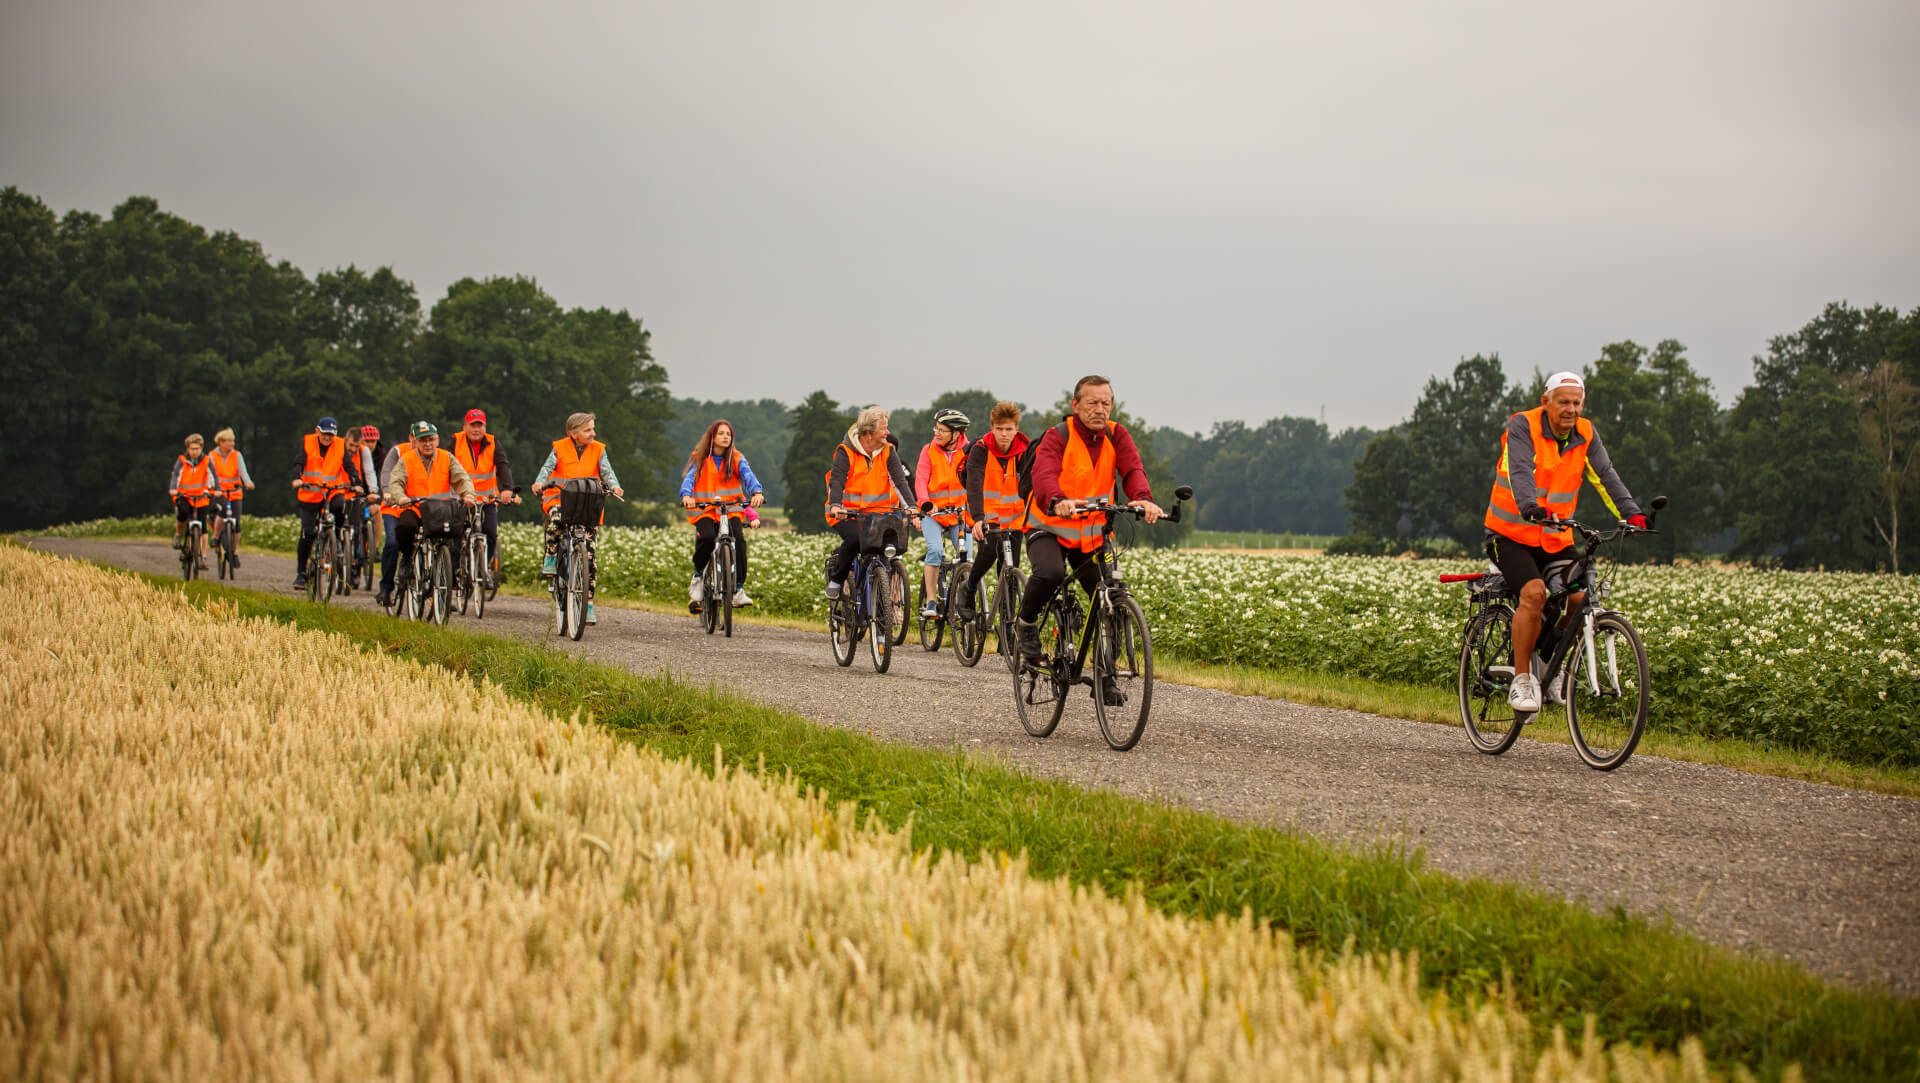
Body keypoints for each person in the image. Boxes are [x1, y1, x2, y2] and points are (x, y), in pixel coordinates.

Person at [1485, 370, 1646, 713]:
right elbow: (1520, 471)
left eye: (1577, 403)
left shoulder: (1585, 434)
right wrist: (1530, 506)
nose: (1571, 409)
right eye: (1564, 402)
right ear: (1546, 402)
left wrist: (1631, 513)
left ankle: (1552, 663)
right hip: (1509, 534)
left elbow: (1606, 476)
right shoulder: (1523, 426)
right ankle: (1523, 679)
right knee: (1534, 593)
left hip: (1555, 538)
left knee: (1580, 598)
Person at [1014, 376, 1162, 670]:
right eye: (1092, 402)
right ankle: (1026, 624)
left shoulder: (1117, 435)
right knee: (1051, 574)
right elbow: (1044, 474)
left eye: (1106, 403)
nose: (1100, 409)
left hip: (1092, 535)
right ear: (1075, 404)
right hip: (1048, 527)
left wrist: (1142, 498)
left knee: (1112, 595)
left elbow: (1132, 469)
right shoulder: (1058, 435)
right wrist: (1057, 499)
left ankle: (1105, 673)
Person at [532, 412, 625, 625]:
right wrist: (539, 483)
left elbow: (607, 472)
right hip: (559, 500)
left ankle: (588, 602)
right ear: (573, 433)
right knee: (555, 522)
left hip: (586, 504)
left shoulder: (599, 450)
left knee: (590, 557)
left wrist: (615, 487)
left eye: (593, 428)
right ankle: (551, 555)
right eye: (588, 430)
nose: (593, 433)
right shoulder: (559, 448)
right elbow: (546, 470)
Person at [823, 406, 921, 599]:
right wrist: (836, 505)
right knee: (855, 540)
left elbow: (899, 481)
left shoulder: (887, 452)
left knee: (890, 545)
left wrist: (911, 507)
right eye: (883, 429)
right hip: (848, 514)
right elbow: (837, 480)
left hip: (879, 515)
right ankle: (837, 578)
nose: (887, 433)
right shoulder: (846, 452)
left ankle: (879, 595)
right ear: (868, 433)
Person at [379, 420, 478, 607]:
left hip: (440, 510)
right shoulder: (406, 459)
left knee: (454, 538)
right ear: (415, 442)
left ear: (437, 440)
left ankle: (446, 587)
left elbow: (462, 478)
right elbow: (396, 482)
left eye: (431, 439)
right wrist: (400, 497)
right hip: (414, 508)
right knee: (405, 527)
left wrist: (468, 495)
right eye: (423, 440)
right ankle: (407, 560)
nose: (427, 444)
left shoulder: (446, 457)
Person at [955, 401, 1030, 621]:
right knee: (988, 551)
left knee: (1010, 571)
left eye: (1009, 429)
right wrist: (978, 519)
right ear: (992, 428)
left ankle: (1007, 629)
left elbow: (1030, 485)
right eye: (999, 429)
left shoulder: (1024, 451)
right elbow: (974, 485)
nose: (1004, 434)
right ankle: (968, 588)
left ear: (1017, 428)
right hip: (985, 515)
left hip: (1014, 518)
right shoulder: (981, 449)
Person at [678, 419, 765, 611]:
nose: (725, 437)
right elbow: (689, 479)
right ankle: (699, 576)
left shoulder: (736, 458)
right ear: (712, 437)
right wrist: (686, 495)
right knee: (707, 538)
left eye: (728, 434)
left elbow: (748, 476)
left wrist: (757, 492)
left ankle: (738, 589)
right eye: (721, 433)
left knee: (739, 542)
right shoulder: (701, 458)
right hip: (705, 510)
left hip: (731, 510)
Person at [451, 408, 521, 587]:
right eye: (472, 425)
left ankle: (484, 568)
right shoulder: (455, 441)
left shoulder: (493, 442)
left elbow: (503, 466)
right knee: (456, 534)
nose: (476, 429)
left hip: (487, 499)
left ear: (485, 426)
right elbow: (446, 466)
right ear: (465, 426)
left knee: (490, 533)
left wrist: (507, 489)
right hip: (463, 498)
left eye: (479, 425)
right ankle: (456, 571)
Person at [914, 409, 973, 617]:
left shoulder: (968, 451)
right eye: (936, 429)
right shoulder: (928, 450)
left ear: (956, 434)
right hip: (934, 514)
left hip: (960, 514)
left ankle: (963, 601)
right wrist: (926, 503)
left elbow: (975, 481)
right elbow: (920, 480)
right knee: (936, 550)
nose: (936, 433)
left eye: (942, 430)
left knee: (967, 558)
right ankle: (931, 601)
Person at [291, 417, 351, 590]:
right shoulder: (308, 443)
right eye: (325, 434)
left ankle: (337, 538)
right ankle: (301, 573)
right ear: (318, 431)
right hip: (310, 495)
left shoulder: (340, 445)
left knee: (340, 506)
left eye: (331, 435)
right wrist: (297, 478)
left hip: (332, 491)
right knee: (307, 533)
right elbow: (298, 463)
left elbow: (347, 466)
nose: (328, 437)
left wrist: (355, 481)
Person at [207, 427, 255, 565]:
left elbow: (243, 472)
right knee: (222, 511)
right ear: (220, 442)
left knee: (237, 523)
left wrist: (248, 482)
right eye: (228, 441)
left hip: (235, 492)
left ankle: (234, 551)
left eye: (233, 441)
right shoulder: (212, 456)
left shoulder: (237, 455)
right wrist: (212, 487)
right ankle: (216, 536)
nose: (232, 444)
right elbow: (210, 473)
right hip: (219, 492)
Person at [168, 433, 217, 566]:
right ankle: (178, 535)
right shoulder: (182, 460)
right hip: (185, 496)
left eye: (197, 448)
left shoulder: (206, 460)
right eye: (192, 449)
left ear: (201, 448)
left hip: (201, 497)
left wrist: (215, 489)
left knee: (203, 526)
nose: (195, 452)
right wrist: (173, 489)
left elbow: (213, 476)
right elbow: (175, 475)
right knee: (183, 514)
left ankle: (202, 556)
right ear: (188, 449)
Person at [362, 425, 387, 549]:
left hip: (373, 488)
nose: (370, 444)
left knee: (377, 511)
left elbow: (384, 476)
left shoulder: (381, 454)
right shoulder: (356, 450)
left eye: (373, 441)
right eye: (367, 441)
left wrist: (381, 497)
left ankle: (375, 547)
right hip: (357, 487)